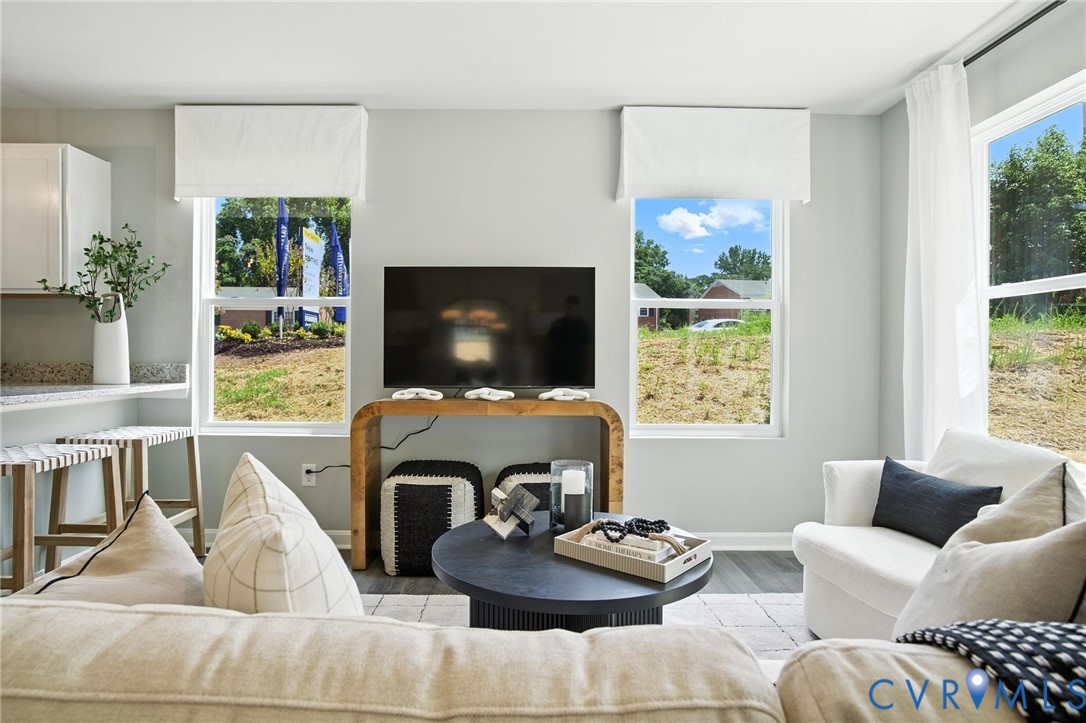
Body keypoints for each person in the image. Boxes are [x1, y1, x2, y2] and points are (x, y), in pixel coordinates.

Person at [547, 295, 591, 386]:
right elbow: (548, 346)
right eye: (569, 307)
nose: (571, 310)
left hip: (577, 368)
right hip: (558, 368)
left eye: (574, 308)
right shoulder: (558, 324)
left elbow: (588, 349)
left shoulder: (583, 325)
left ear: (578, 308)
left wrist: (588, 371)